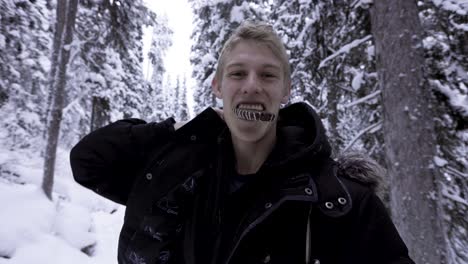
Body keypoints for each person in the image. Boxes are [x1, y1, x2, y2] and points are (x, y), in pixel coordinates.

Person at [70, 21, 415, 264]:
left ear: (285, 90)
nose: (252, 85)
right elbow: (89, 161)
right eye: (237, 74)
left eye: (267, 75)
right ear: (218, 88)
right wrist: (176, 131)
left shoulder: (340, 201)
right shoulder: (177, 177)